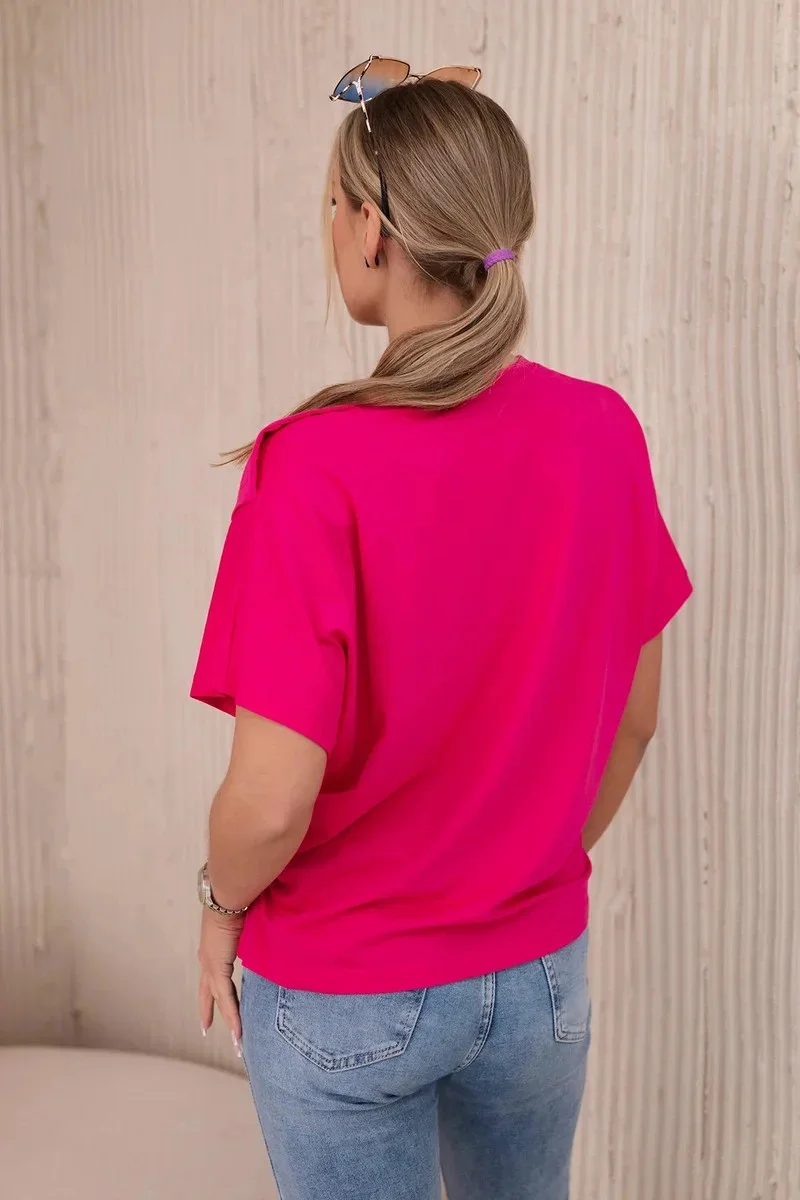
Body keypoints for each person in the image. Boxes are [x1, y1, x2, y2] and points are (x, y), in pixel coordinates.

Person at [191, 57, 692, 1200]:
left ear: (371, 232)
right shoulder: (603, 433)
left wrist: (217, 909)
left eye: (333, 205)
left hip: (346, 989)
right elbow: (631, 724)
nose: (331, 230)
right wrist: (517, 867)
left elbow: (268, 802)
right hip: (540, 975)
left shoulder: (309, 464)